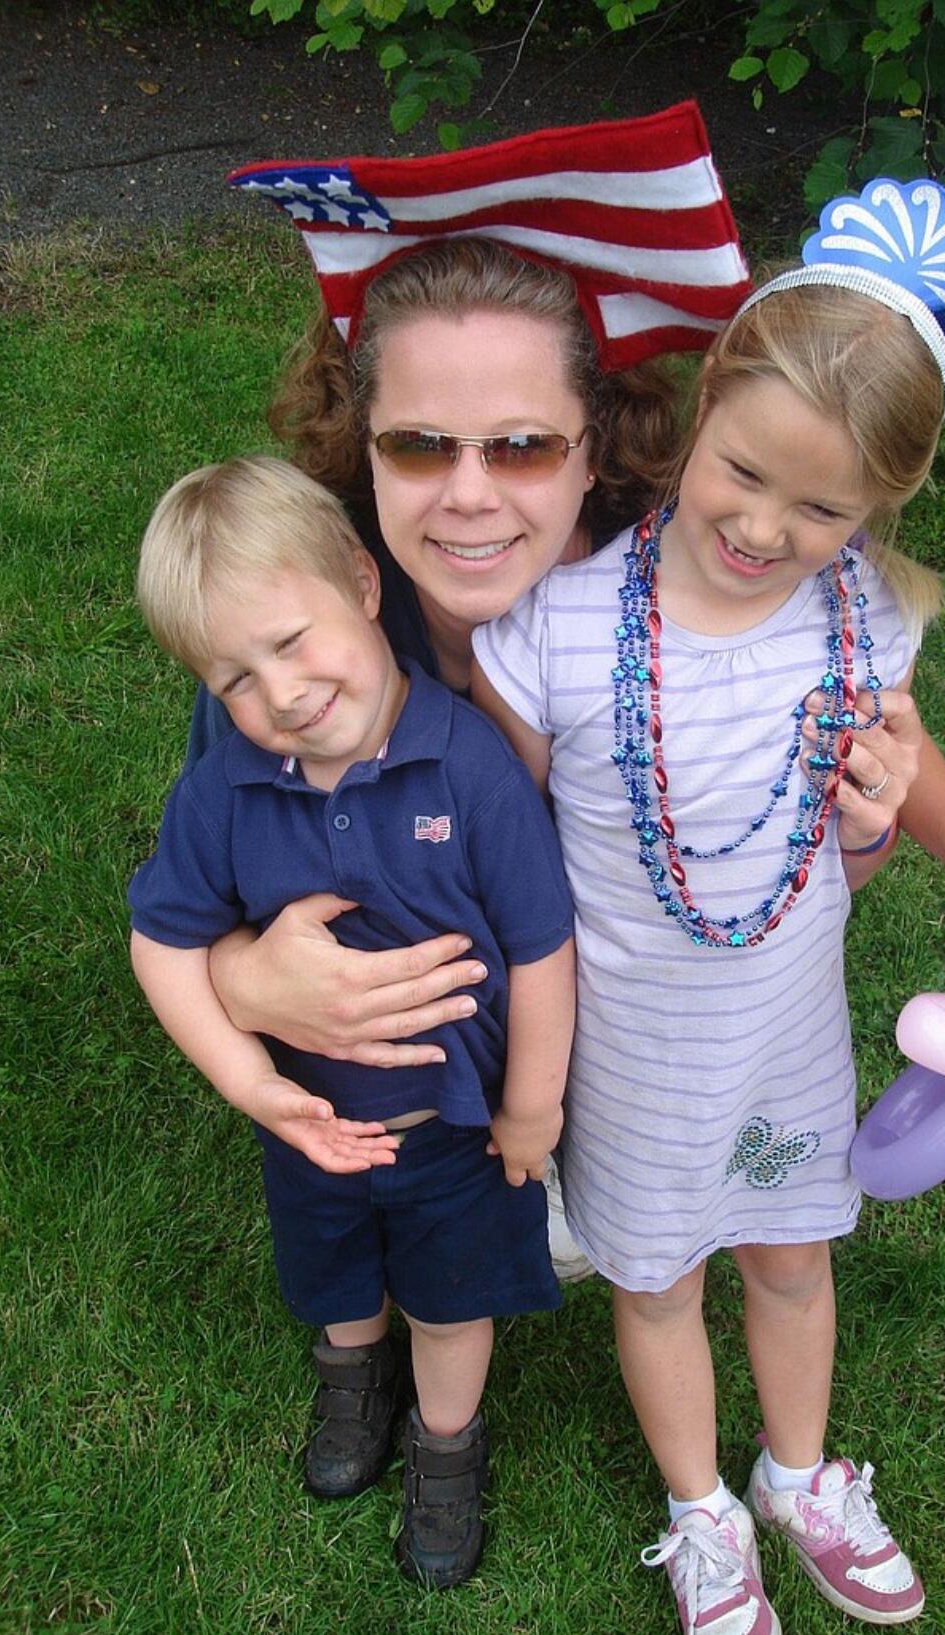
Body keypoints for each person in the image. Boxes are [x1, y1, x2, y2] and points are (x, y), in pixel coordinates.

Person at [471, 178, 945, 1630]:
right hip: (629, 1041)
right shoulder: (557, 628)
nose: (763, 524)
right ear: (704, 407)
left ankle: (798, 1472)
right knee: (658, 1274)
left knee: (793, 1255)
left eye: (823, 506)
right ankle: (700, 1509)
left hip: (784, 1020)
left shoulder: (860, 613)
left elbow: (898, 753)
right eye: (741, 473)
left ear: (880, 508)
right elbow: (511, 833)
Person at [200, 105, 753, 1290]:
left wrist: (856, 836)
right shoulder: (307, 635)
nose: (465, 496)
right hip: (386, 1101)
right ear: (362, 441)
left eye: (519, 447)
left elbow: (759, 904)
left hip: (623, 1039)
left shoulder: (677, 633)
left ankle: (580, 1153)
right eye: (416, 445)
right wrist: (247, 980)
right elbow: (207, 873)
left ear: (595, 448)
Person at [128, 455, 576, 1587]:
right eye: (233, 677)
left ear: (363, 589)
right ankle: (353, 1379)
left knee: (451, 1293)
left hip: (454, 1128)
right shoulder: (225, 790)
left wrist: (532, 1108)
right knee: (333, 1273)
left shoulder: (467, 767)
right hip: (312, 1122)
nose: (277, 693)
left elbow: (540, 946)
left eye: (291, 642)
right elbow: (163, 937)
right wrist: (250, 1084)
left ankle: (443, 1442)